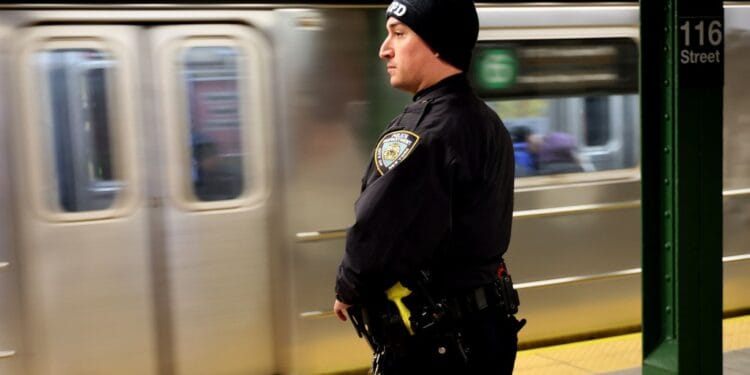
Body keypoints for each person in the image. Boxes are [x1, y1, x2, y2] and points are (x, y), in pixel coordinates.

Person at [333, 1, 524, 373]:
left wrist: (348, 289)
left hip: (439, 346)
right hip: (489, 330)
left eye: (399, 34)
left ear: (438, 45)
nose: (384, 49)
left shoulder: (424, 132)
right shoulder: (487, 122)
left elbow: (378, 230)